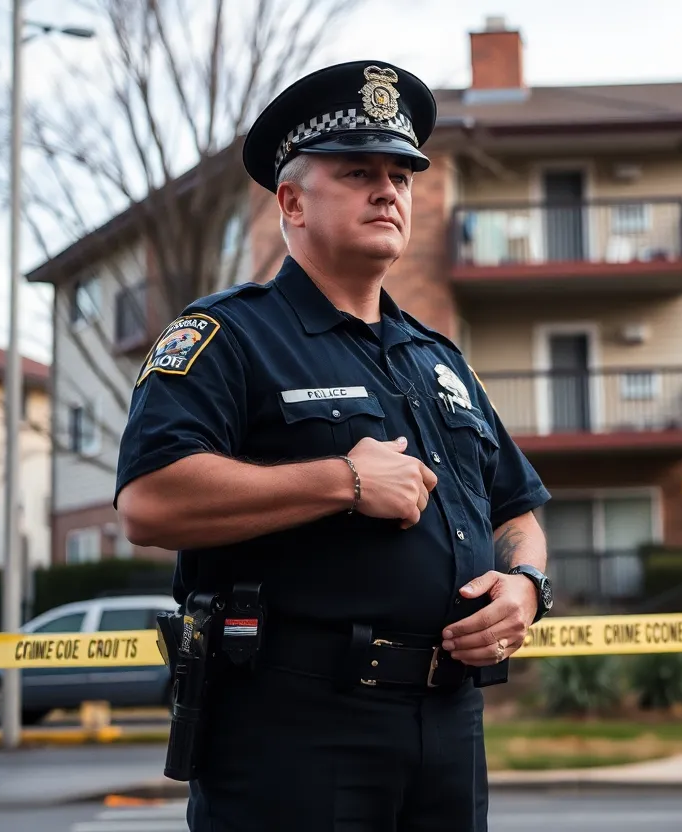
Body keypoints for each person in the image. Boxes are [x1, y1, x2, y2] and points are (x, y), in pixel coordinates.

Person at [114, 59, 554, 832]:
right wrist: (343, 481)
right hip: (295, 730)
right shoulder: (228, 336)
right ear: (292, 202)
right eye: (359, 173)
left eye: (401, 176)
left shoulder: (440, 360)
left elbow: (516, 510)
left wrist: (525, 588)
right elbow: (149, 502)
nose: (389, 191)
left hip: (449, 722)